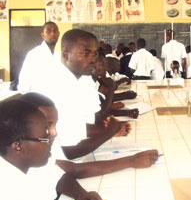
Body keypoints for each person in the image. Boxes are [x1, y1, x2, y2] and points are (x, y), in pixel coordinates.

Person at [20, 93, 159, 182]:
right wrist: (108, 133)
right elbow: (72, 163)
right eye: (48, 126)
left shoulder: (45, 139)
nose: (54, 132)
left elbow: (66, 172)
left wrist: (80, 195)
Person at [34, 29, 128, 161]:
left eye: (95, 54)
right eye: (86, 53)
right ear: (67, 55)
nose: (93, 59)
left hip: (79, 153)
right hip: (57, 162)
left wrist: (107, 129)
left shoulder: (82, 78)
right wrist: (108, 132)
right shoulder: (56, 84)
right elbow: (69, 151)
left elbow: (88, 121)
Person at [0, 99, 103, 200]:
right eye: (45, 135)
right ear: (18, 146)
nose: (51, 138)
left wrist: (82, 196)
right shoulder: (7, 192)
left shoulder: (28, 164)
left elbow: (57, 176)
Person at [18, 21, 60, 93]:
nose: (52, 34)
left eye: (55, 31)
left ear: (58, 34)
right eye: (48, 31)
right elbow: (23, 86)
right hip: (37, 100)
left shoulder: (58, 55)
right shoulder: (34, 55)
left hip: (54, 100)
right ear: (43, 35)